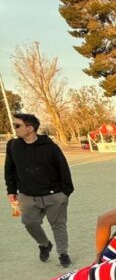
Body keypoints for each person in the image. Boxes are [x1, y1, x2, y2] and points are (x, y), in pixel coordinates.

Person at [5, 113, 73, 267]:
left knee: (58, 226)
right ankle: (44, 244)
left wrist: (64, 193)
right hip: (27, 196)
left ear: (30, 128)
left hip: (54, 195)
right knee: (29, 222)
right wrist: (11, 191)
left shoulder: (50, 147)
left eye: (17, 125)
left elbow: (64, 170)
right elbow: (10, 170)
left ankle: (63, 253)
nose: (15, 128)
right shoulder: (13, 146)